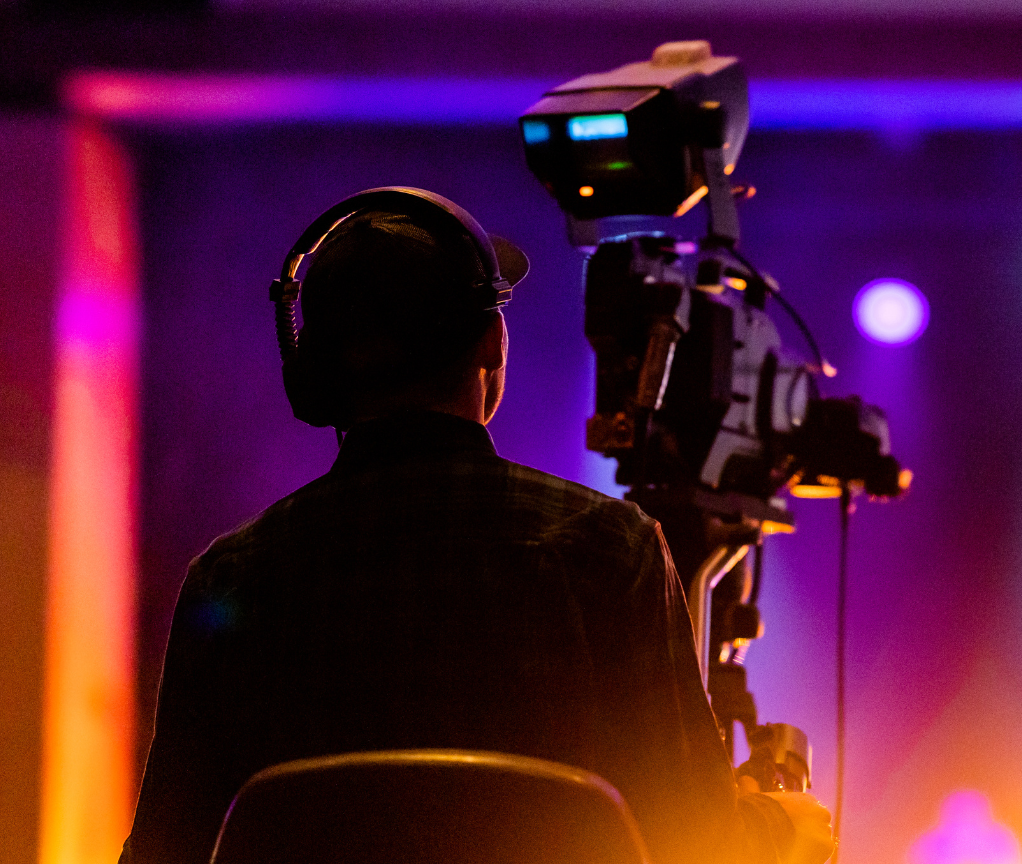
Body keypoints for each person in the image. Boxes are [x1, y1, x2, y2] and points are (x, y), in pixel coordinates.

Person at [119, 198, 834, 864]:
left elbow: (165, 850)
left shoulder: (233, 577)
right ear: (492, 345)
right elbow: (693, 840)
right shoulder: (609, 551)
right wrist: (782, 830)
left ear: (314, 373)